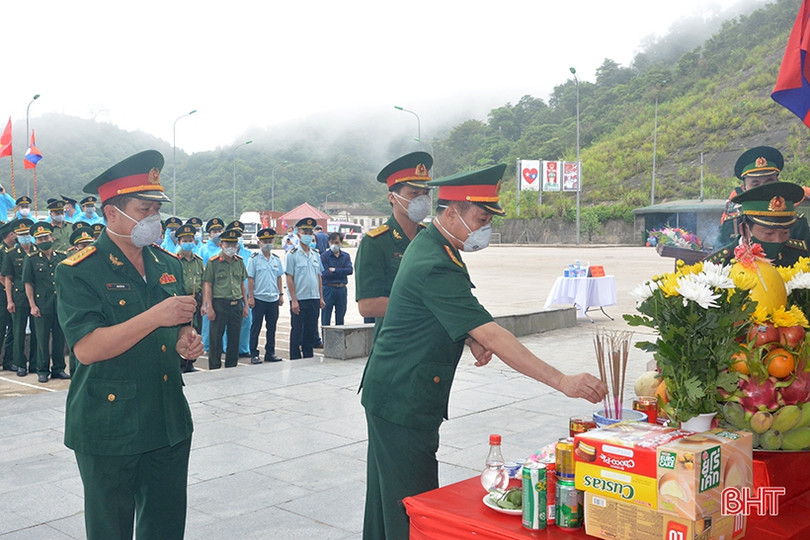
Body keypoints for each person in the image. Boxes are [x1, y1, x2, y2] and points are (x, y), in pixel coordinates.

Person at [359, 163, 608, 539]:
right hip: (402, 399)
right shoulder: (435, 262)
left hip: (394, 392)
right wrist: (562, 380)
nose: (484, 228)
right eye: (480, 217)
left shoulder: (434, 244)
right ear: (452, 211)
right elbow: (493, 334)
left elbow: (446, 314)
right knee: (411, 505)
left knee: (387, 498)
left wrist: (467, 336)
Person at [54, 149, 201, 540]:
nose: (154, 219)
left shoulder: (167, 265)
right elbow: (86, 349)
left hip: (167, 419)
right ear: (112, 213)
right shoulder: (79, 270)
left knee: (166, 527)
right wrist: (157, 316)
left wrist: (187, 341)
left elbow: (179, 329)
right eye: (144, 209)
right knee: (110, 530)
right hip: (109, 424)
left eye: (157, 209)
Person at [354, 151, 432, 334]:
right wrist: (430, 306)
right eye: (413, 193)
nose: (421, 199)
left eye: (425, 193)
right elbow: (368, 306)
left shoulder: (431, 239)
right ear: (392, 197)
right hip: (398, 339)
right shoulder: (376, 243)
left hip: (433, 342)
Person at [717, 146, 810, 246]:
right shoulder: (731, 225)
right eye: (755, 184)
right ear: (744, 188)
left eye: (769, 182)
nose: (763, 189)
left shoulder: (797, 224)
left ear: (777, 182)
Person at [706, 182, 808, 266]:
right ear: (744, 229)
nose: (778, 240)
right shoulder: (719, 264)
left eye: (785, 233)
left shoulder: (801, 258)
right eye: (769, 234)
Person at [23, 222, 69, 382]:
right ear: (36, 241)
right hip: (41, 305)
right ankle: (42, 370)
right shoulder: (31, 259)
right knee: (42, 339)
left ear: (52, 237)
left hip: (60, 305)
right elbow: (28, 284)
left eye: (46, 237)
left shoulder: (62, 257)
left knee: (59, 338)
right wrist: (32, 305)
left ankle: (59, 368)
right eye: (40, 239)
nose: (44, 241)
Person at [202, 227, 248, 369]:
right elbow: (208, 285)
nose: (231, 248)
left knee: (234, 340)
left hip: (236, 304)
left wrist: (245, 305)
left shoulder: (239, 261)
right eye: (228, 245)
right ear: (221, 245)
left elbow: (242, 284)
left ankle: (231, 368)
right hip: (219, 304)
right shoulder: (213, 262)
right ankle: (215, 369)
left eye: (234, 244)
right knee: (216, 339)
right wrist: (209, 307)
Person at [2, 218, 37, 377]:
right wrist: (9, 300)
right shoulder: (11, 254)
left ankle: (36, 364)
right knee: (18, 332)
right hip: (18, 297)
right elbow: (8, 278)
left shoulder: (37, 251)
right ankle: (19, 364)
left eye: (27, 234)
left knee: (38, 333)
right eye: (22, 234)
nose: (25, 236)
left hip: (38, 297)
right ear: (16, 235)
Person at [285, 217, 324, 360]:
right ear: (298, 234)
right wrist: (293, 300)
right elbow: (289, 277)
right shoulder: (292, 255)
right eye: (304, 231)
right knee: (297, 331)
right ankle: (295, 358)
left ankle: (308, 357)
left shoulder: (315, 254)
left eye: (310, 231)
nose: (307, 234)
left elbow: (319, 276)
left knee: (310, 330)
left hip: (313, 298)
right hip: (299, 299)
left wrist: (321, 297)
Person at [247, 228, 285, 363]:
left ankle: (270, 352)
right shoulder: (254, 259)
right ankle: (254, 354)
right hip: (259, 298)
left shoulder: (276, 259)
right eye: (265, 241)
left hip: (273, 298)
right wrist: (250, 297)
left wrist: (280, 294)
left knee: (272, 328)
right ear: (260, 243)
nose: (268, 244)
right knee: (256, 327)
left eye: (270, 241)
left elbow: (279, 277)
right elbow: (250, 278)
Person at [176, 224, 204, 372]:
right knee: (182, 331)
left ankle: (191, 362)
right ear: (179, 242)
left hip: (196, 299)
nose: (188, 243)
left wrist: (205, 303)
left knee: (195, 330)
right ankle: (181, 364)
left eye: (190, 240)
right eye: (185, 240)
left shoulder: (198, 261)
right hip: (181, 300)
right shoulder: (174, 261)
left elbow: (204, 282)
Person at [320, 232, 353, 338]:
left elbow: (350, 270)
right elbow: (325, 273)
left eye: (337, 242)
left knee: (340, 315)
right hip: (328, 288)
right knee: (326, 316)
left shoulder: (346, 256)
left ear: (341, 243)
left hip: (342, 288)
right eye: (332, 242)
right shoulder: (324, 256)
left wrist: (334, 270)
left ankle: (339, 341)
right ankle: (326, 341)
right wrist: (340, 271)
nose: (334, 245)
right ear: (329, 242)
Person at [0, 220, 16, 372]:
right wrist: (9, 289)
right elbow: (1, 275)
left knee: (13, 328)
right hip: (2, 294)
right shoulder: (2, 250)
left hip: (12, 294)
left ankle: (8, 360)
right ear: (11, 234)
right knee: (1, 327)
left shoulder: (14, 250)